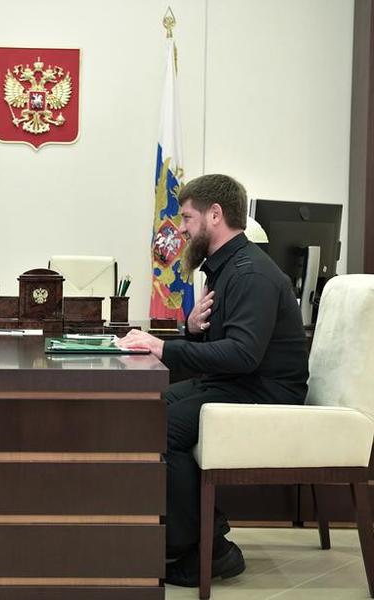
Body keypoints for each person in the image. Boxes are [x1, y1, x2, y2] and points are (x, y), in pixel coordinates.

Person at [119, 174, 308, 587]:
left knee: (162, 427)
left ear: (215, 215)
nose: (182, 229)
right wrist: (190, 330)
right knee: (146, 409)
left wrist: (164, 347)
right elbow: (228, 347)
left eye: (188, 218)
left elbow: (242, 355)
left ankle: (209, 549)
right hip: (236, 384)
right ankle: (185, 535)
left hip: (264, 394)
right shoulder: (226, 269)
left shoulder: (250, 274)